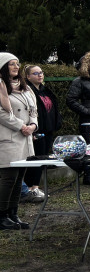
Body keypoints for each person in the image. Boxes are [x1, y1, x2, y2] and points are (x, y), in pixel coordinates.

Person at [0, 54, 37, 231]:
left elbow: (34, 110)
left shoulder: (25, 87)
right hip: (9, 138)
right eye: (11, 64)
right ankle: (2, 215)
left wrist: (33, 125)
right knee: (9, 178)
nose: (16, 67)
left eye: (17, 64)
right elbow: (1, 113)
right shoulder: (1, 86)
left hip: (25, 138)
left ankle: (13, 214)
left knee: (19, 177)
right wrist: (21, 126)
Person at [22, 65, 62, 203]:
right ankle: (29, 188)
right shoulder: (27, 91)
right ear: (28, 77)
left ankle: (35, 187)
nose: (40, 75)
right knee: (36, 159)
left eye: (41, 72)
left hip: (48, 129)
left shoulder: (46, 91)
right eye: (35, 73)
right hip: (36, 130)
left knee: (43, 158)